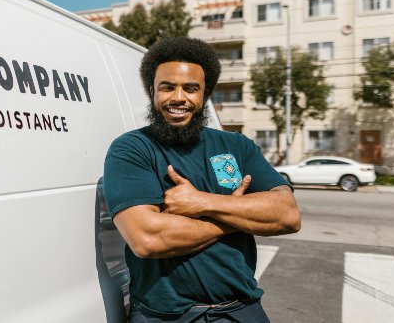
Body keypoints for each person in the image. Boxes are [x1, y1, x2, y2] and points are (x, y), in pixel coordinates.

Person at [102, 37, 301, 323]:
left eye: (190, 88)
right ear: (152, 91)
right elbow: (147, 238)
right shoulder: (132, 149)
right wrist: (235, 213)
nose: (179, 97)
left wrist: (201, 202)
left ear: (204, 93)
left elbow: (288, 214)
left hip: (241, 309)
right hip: (165, 316)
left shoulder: (237, 146)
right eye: (167, 87)